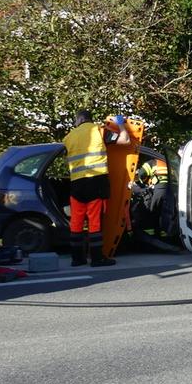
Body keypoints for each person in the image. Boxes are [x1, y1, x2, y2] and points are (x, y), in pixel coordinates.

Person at [63, 109, 129, 266]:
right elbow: (125, 141)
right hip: (96, 182)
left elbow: (67, 159)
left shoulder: (68, 137)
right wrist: (121, 125)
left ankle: (77, 259)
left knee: (76, 222)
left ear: (78, 120)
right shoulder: (99, 131)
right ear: (89, 119)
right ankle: (97, 258)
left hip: (76, 183)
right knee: (95, 221)